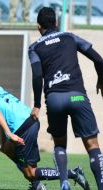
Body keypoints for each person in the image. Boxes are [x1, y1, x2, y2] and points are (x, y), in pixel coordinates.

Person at [0, 74, 90, 190]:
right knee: (7, 149)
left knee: (30, 172)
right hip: (29, 120)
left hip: (22, 128)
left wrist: (8, 133)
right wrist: (5, 140)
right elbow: (3, 109)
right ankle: (36, 185)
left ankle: (72, 173)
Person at [28, 7, 103, 190]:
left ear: (39, 27)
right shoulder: (70, 37)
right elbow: (99, 60)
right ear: (56, 23)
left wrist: (37, 104)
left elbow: (38, 76)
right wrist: (101, 80)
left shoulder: (35, 47)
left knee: (60, 143)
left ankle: (64, 183)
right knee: (92, 145)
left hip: (54, 100)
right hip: (77, 97)